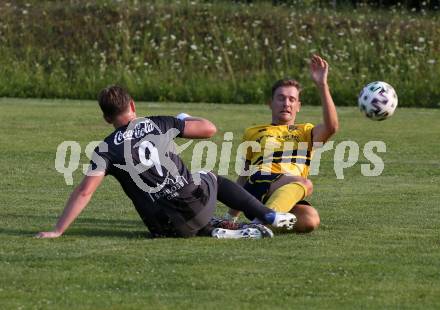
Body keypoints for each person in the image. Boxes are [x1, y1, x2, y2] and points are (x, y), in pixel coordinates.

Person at [36, 86, 296, 240]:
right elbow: (209, 129)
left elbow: (85, 191)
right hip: (196, 206)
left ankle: (214, 230)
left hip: (164, 228)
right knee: (209, 177)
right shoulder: (157, 122)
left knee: (175, 204)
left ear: (106, 118)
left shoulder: (105, 148)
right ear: (132, 105)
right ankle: (266, 214)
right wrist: (184, 117)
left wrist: (59, 230)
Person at [227, 55, 339, 233]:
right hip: (258, 184)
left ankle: (258, 222)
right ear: (270, 103)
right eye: (281, 98)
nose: (286, 103)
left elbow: (332, 127)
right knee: (305, 183)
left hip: (288, 191)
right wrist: (231, 216)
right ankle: (259, 225)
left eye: (292, 99)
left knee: (309, 220)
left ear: (298, 106)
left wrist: (322, 85)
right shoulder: (253, 132)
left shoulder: (305, 131)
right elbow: (244, 175)